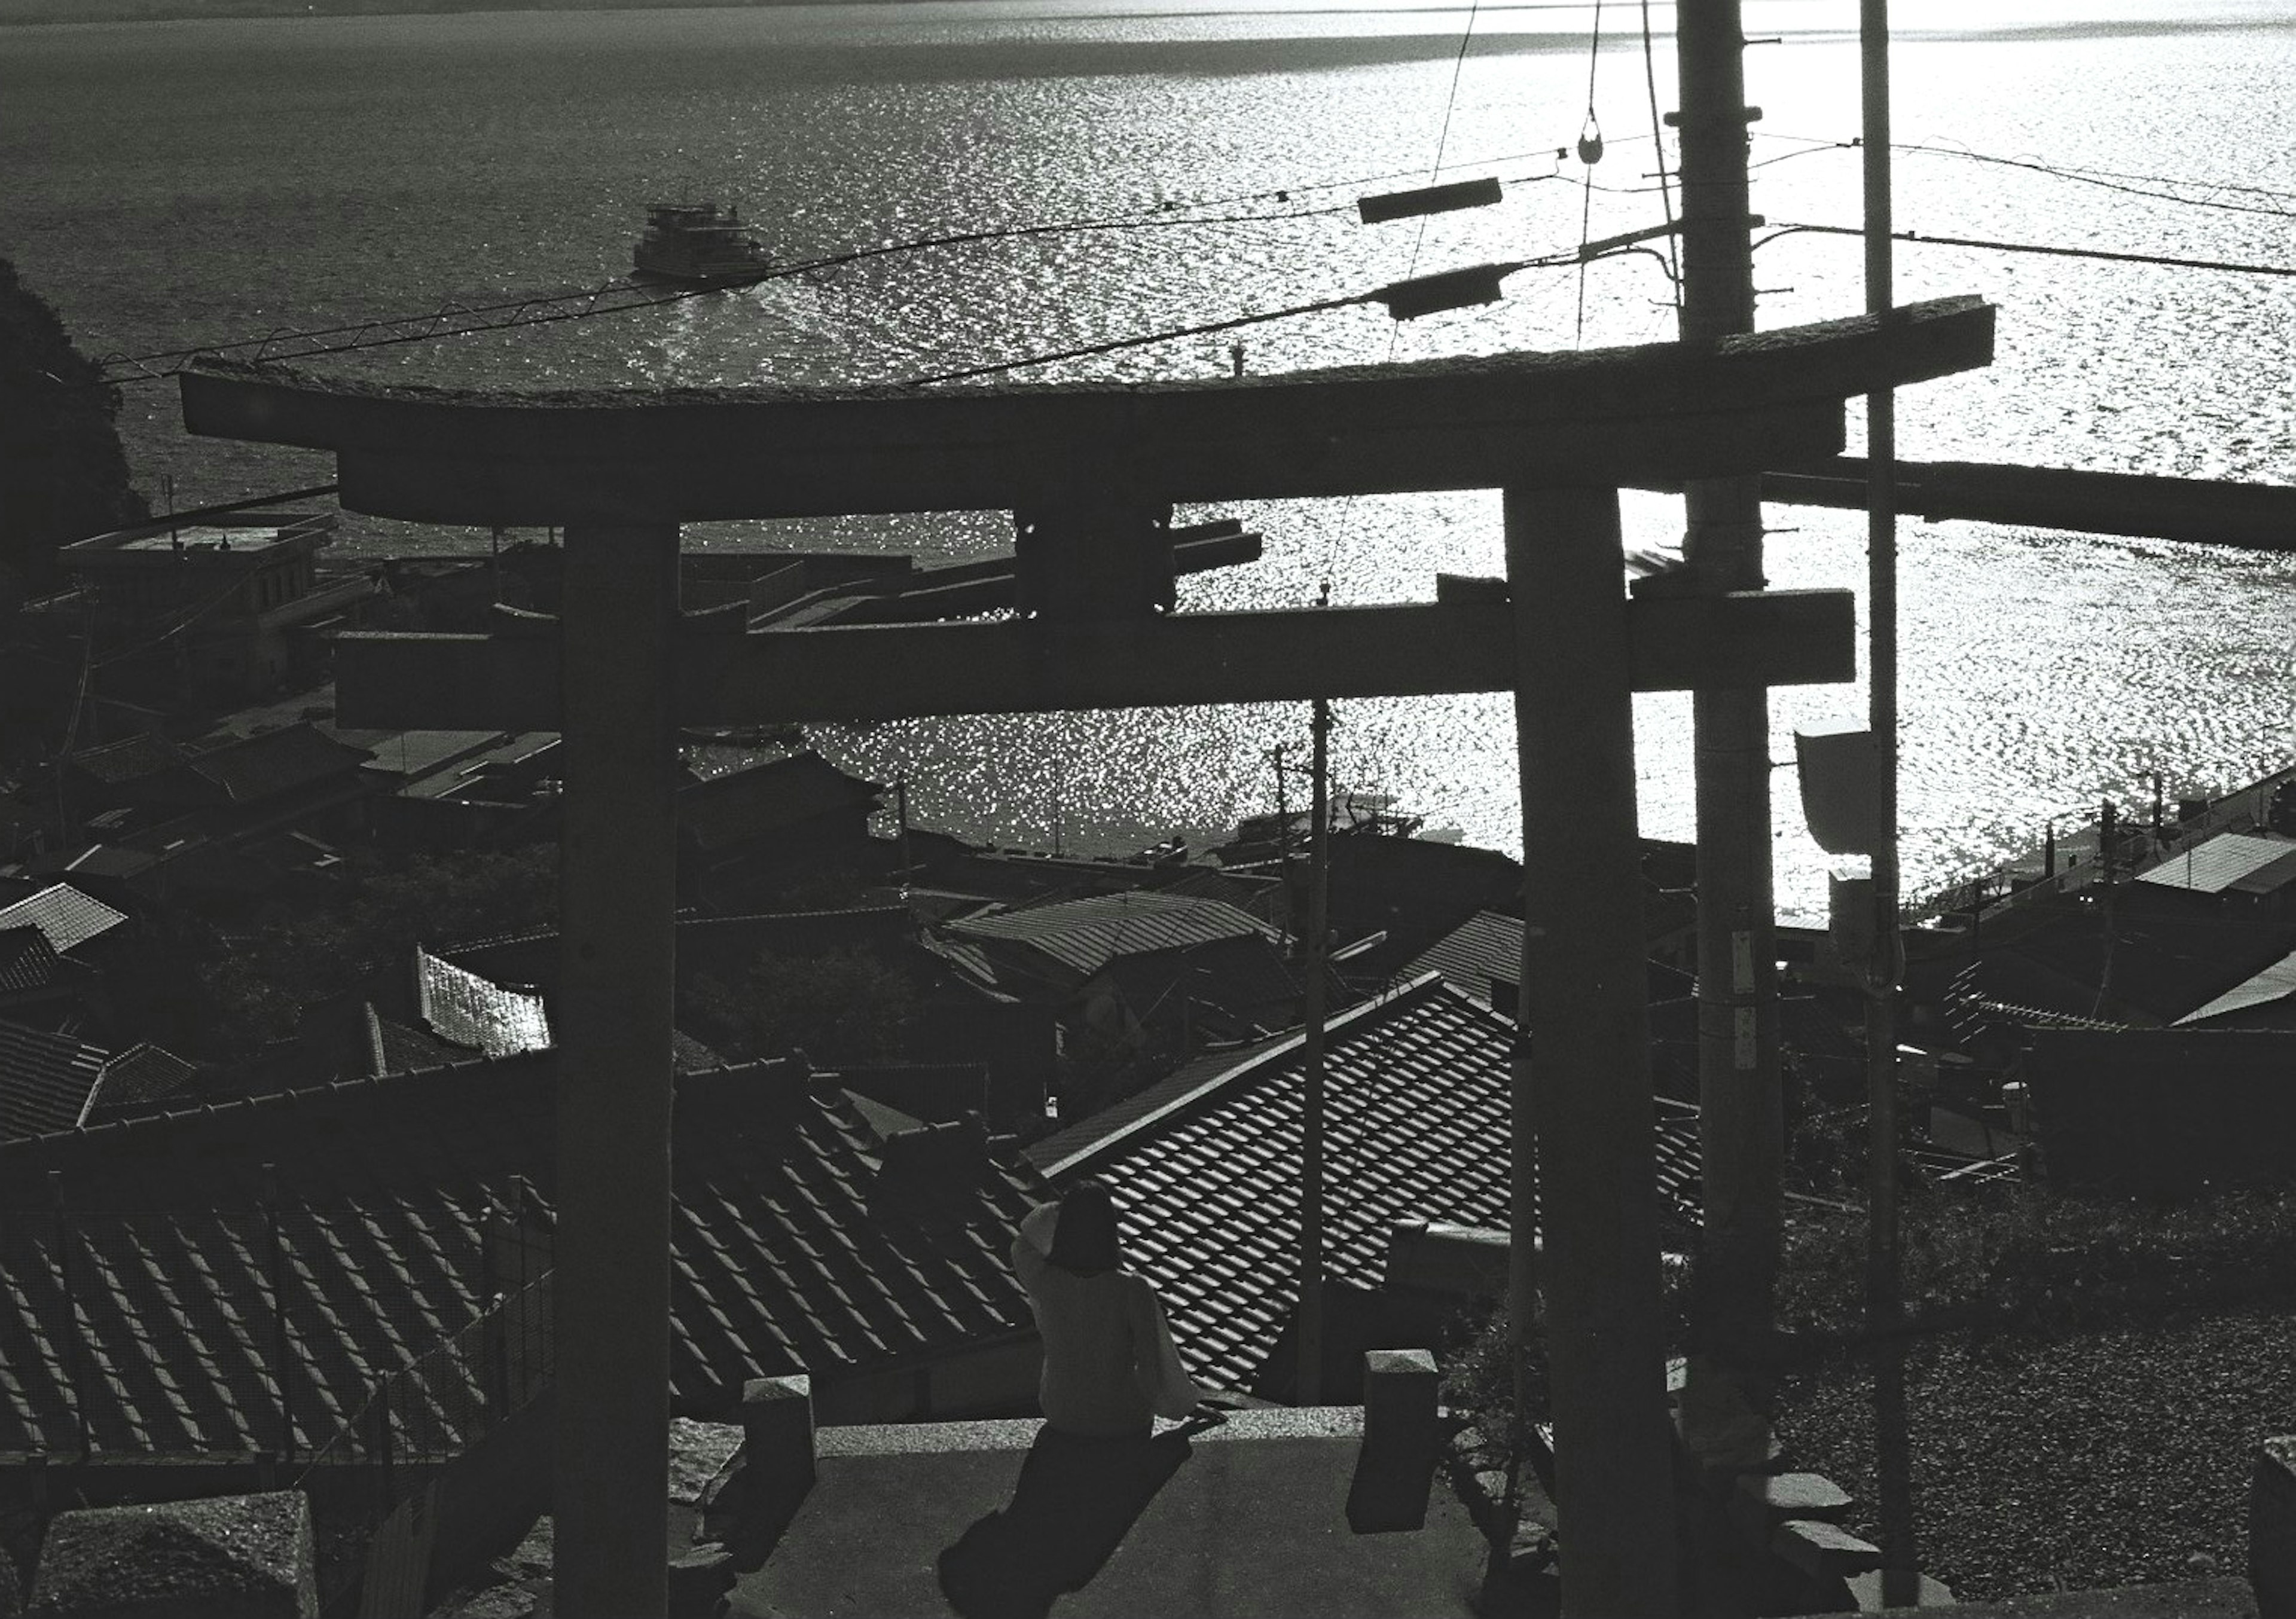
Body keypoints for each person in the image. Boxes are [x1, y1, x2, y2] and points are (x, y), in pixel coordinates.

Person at [1010, 1179, 1209, 1438]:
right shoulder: (1132, 1289)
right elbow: (1155, 1368)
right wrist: (1186, 1404)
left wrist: (1064, 1209)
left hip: (1062, 1413)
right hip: (1121, 1416)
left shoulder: (1044, 1279)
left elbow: (1024, 1240)